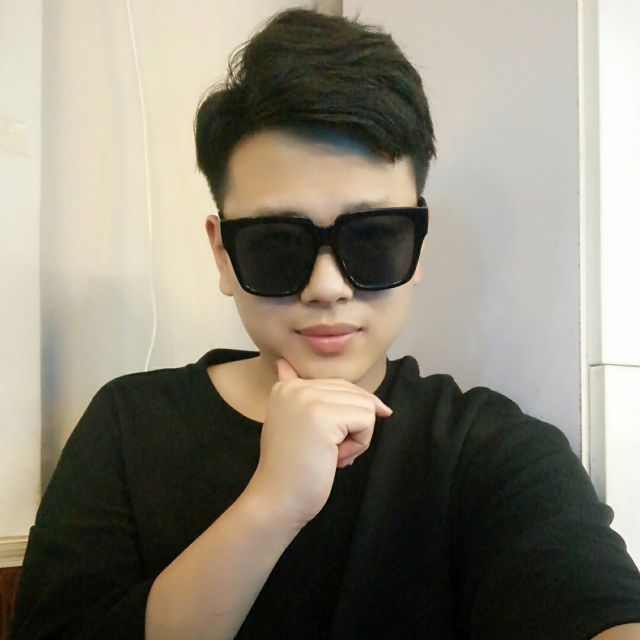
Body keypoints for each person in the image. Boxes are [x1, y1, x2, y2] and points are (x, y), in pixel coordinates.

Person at [11, 7, 640, 640]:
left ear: (418, 245)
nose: (327, 287)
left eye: (374, 238)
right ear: (222, 255)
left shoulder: (485, 448)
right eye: (276, 243)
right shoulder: (129, 426)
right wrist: (271, 505)